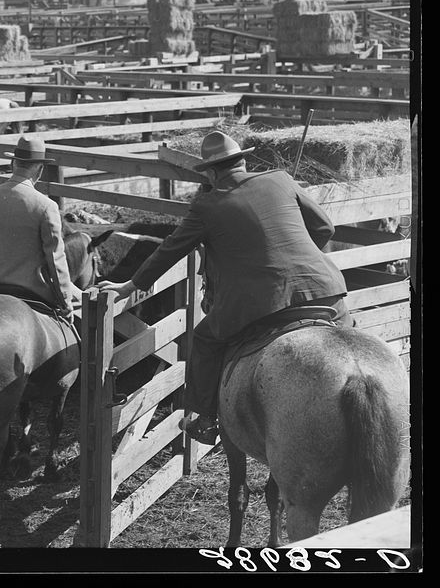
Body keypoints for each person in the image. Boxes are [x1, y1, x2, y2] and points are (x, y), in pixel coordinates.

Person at [98, 131, 351, 445]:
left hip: (259, 302)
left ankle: (203, 419)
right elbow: (326, 227)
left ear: (212, 172)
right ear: (243, 160)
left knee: (203, 340)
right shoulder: (282, 179)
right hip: (326, 289)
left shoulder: (206, 205)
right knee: (349, 338)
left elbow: (170, 249)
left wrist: (132, 285)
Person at [0, 136, 82, 317]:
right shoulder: (47, 206)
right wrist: (65, 299)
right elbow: (55, 259)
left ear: (13, 163)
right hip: (32, 291)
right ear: (40, 169)